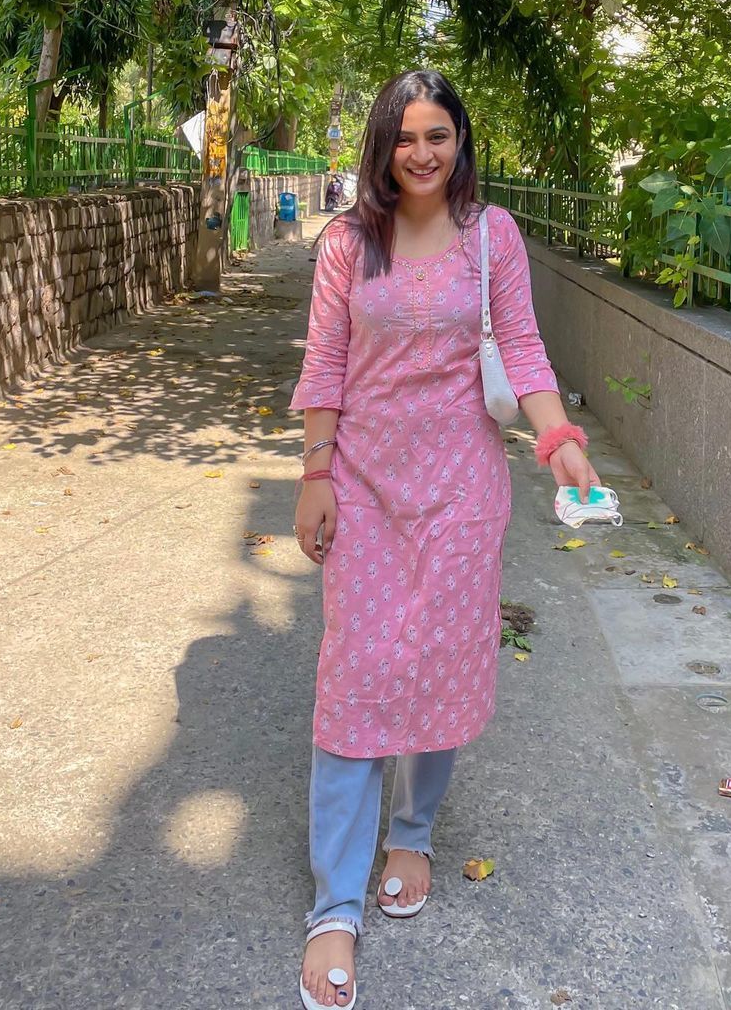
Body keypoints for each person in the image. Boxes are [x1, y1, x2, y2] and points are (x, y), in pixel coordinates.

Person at [290, 69, 600, 1009]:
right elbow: (326, 361)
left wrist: (559, 440)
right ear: (382, 146)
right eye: (405, 137)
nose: (422, 153)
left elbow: (525, 347)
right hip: (364, 485)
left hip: (463, 490)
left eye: (439, 135)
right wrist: (314, 476)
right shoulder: (348, 243)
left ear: (460, 141)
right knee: (357, 673)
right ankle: (335, 905)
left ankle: (414, 833)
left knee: (439, 659)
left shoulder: (491, 235)